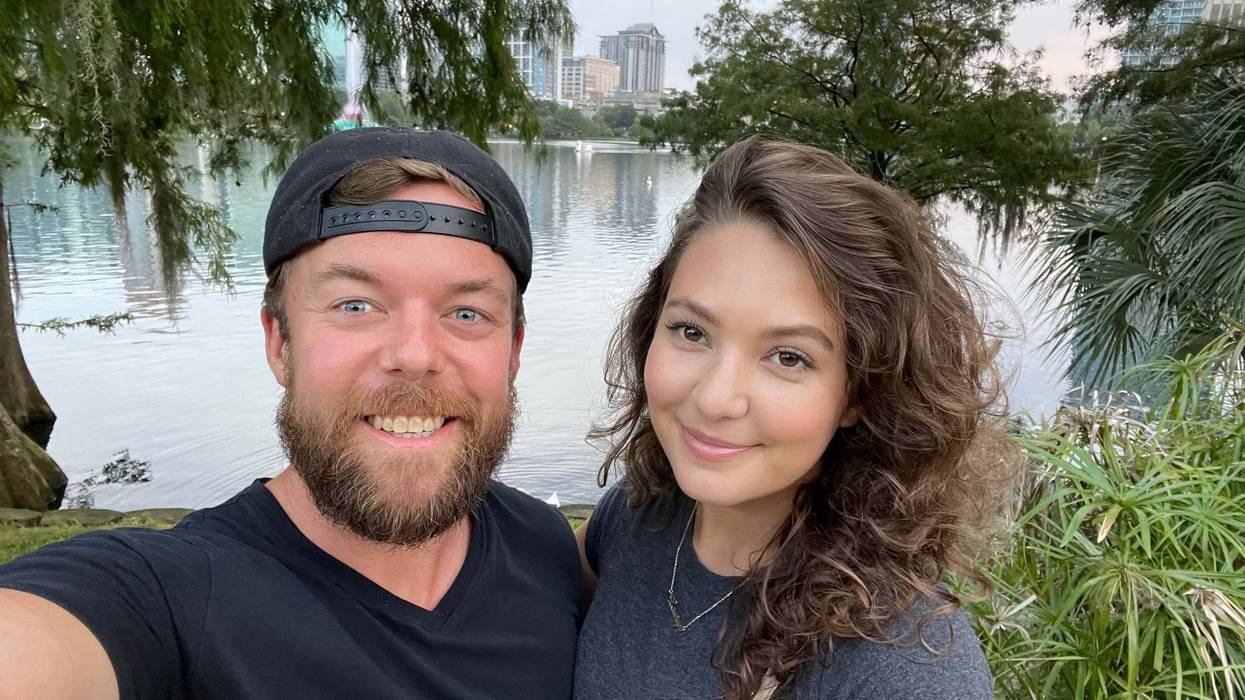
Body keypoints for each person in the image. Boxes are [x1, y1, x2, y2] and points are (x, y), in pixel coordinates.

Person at [0, 128, 581, 699]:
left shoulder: (545, 548)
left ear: (513, 352)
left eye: (467, 313)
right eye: (355, 305)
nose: (414, 356)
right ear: (280, 343)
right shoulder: (171, 599)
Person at [574, 137, 1009, 699]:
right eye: (691, 331)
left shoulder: (905, 665)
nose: (716, 398)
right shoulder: (638, 516)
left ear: (858, 393)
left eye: (788, 357)